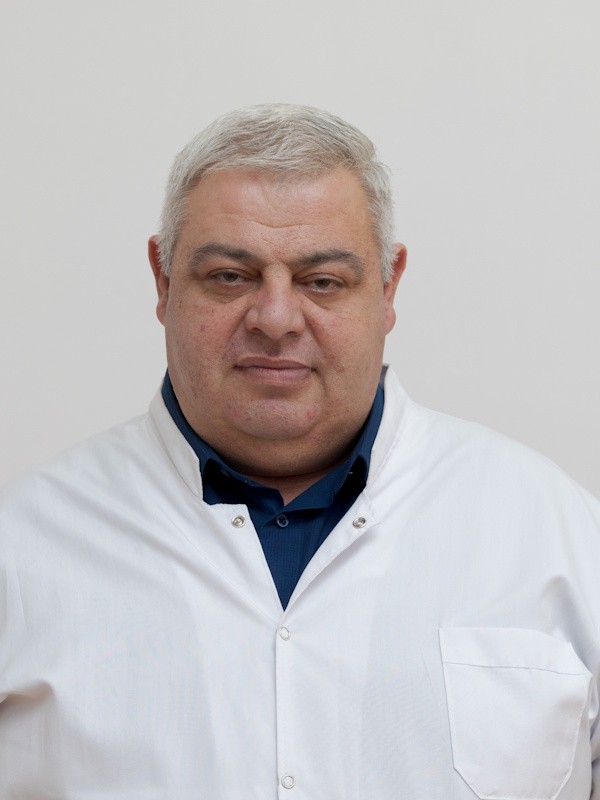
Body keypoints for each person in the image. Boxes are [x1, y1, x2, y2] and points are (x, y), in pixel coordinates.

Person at [1, 104, 600, 800]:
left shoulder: (557, 534)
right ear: (162, 281)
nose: (276, 319)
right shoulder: (21, 547)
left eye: (322, 281)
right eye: (230, 275)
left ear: (388, 287)